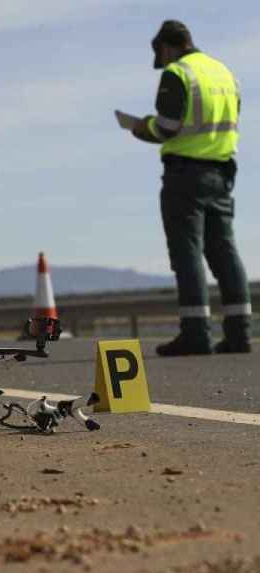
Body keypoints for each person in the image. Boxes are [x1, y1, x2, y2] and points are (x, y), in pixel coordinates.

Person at [125, 20, 251, 355]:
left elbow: (166, 127)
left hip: (185, 175)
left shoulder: (178, 73)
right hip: (222, 172)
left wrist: (140, 127)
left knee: (187, 252)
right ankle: (239, 334)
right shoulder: (223, 73)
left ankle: (196, 333)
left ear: (166, 47)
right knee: (225, 251)